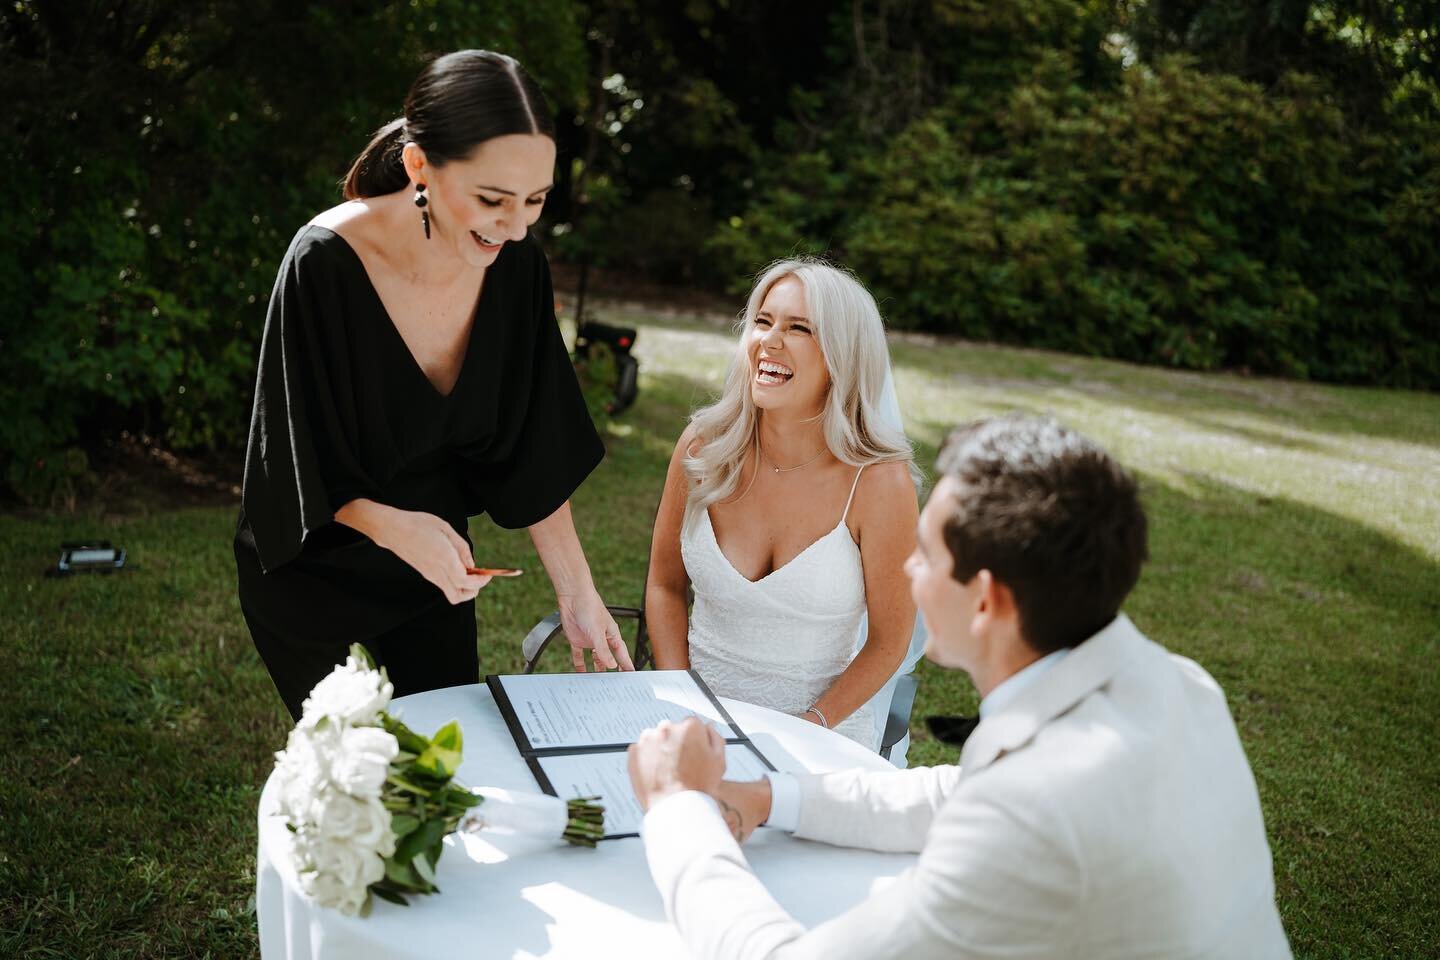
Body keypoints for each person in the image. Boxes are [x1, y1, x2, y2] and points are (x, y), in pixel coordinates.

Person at [629, 414, 1292, 959]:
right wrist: (765, 796)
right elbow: (956, 793)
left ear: (985, 602)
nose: (908, 569)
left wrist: (676, 807)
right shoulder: (1176, 683)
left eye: (927, 555)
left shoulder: (1030, 818)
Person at [235, 50, 631, 722]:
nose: (516, 226)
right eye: (492, 199)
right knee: (352, 773)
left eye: (535, 201)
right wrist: (391, 526)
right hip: (309, 564)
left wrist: (578, 596)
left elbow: (532, 442)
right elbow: (289, 464)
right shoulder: (323, 262)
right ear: (420, 167)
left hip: (431, 570)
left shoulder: (515, 268)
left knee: (443, 771)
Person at [644, 258, 919, 749]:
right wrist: (682, 701)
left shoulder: (879, 483)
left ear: (842, 356)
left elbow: (888, 641)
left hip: (818, 732)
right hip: (691, 720)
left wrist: (808, 727)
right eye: (763, 321)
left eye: (799, 328)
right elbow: (665, 586)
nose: (769, 340)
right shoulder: (702, 448)